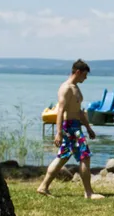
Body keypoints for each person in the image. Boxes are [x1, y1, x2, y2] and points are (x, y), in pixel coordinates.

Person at [36, 59, 102, 198]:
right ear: (78, 72)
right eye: (84, 74)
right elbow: (60, 111)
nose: (86, 77)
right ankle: (88, 193)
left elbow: (78, 111)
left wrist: (88, 128)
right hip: (70, 127)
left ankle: (43, 186)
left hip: (76, 126)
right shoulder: (66, 88)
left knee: (63, 157)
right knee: (84, 156)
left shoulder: (75, 87)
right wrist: (58, 133)